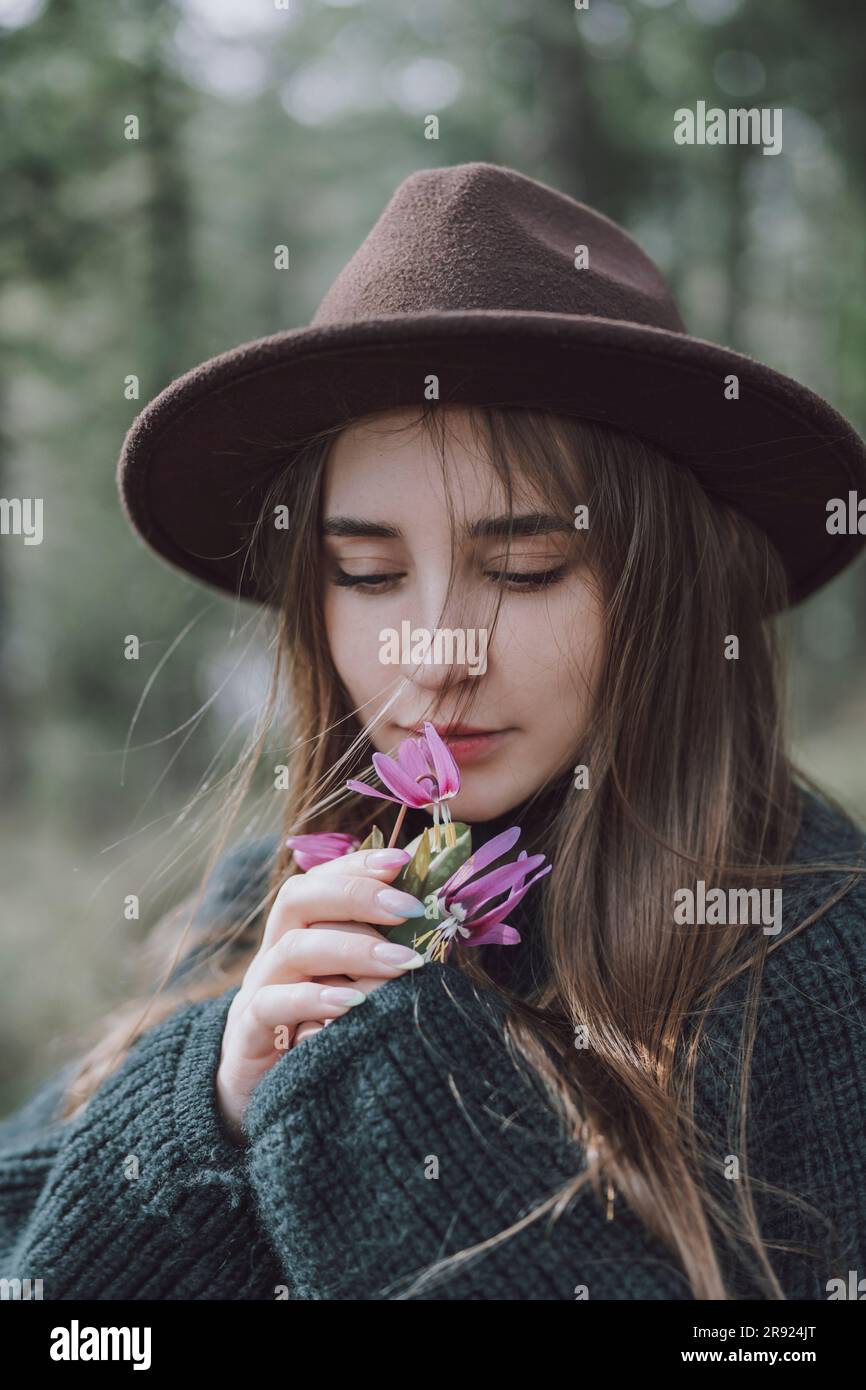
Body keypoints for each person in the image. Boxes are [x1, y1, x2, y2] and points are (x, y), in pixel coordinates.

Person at [2, 163, 866, 1301]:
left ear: (666, 588)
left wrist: (384, 1074)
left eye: (522, 569)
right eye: (366, 573)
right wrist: (211, 1093)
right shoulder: (261, 912)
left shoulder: (806, 959)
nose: (431, 650)